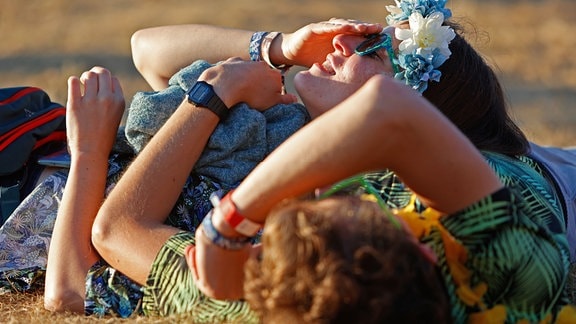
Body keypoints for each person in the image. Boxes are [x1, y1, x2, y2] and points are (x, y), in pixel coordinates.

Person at [37, 0, 570, 322]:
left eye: (370, 51)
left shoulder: (274, 295)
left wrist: (214, 99)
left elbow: (97, 258)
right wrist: (278, 48)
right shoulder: (513, 261)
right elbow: (146, 49)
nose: (342, 43)